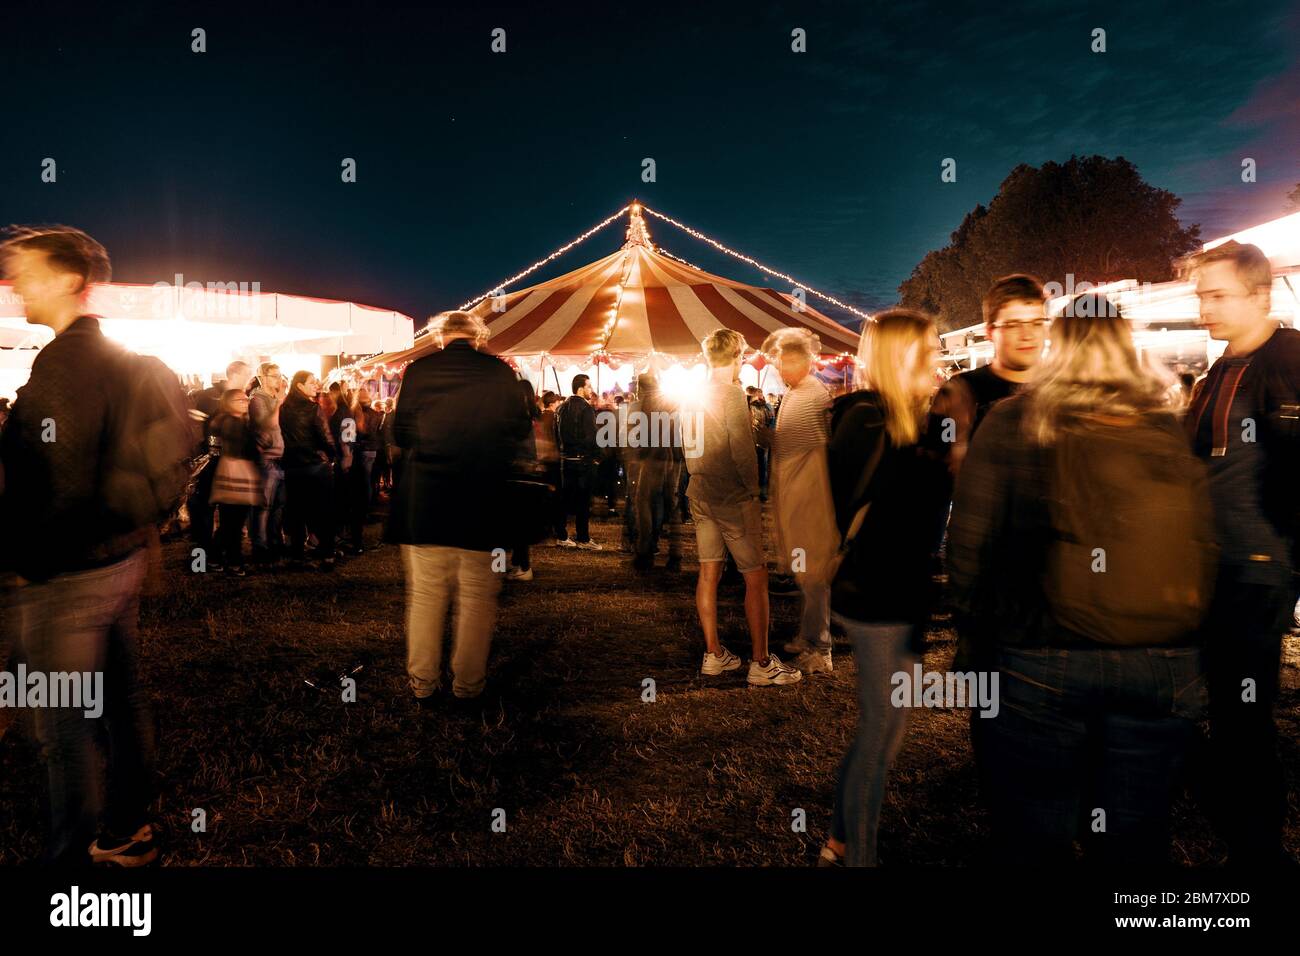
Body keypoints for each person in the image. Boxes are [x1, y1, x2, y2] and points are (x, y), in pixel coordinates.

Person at [948, 294, 1215, 865]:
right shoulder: (1165, 422)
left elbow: (968, 545)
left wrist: (973, 640)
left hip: (1043, 653)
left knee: (1036, 833)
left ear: (1056, 346)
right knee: (1136, 836)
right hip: (1162, 659)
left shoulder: (1017, 420)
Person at [0, 224, 190, 866]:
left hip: (67, 575)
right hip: (120, 559)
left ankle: (69, 866)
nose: (15, 282)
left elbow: (60, 481)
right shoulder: (110, 356)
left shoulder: (64, 364)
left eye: (26, 271)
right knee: (119, 705)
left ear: (66, 280)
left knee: (63, 731)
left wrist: (27, 564)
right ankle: (129, 829)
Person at [1186, 241, 1300, 865]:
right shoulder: (1215, 375)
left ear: (1260, 295)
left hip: (1258, 573)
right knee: (1218, 706)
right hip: (1209, 571)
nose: (1205, 307)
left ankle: (1258, 850)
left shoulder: (1292, 360)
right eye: (1201, 295)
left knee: (1245, 714)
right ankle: (1235, 815)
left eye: (1218, 295)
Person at [818, 309, 945, 866]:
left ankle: (839, 842)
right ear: (904, 355)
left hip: (907, 590)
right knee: (881, 731)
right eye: (931, 348)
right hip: (875, 593)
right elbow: (880, 511)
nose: (940, 358)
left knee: (886, 726)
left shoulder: (910, 418)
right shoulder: (867, 420)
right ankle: (857, 859)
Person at [387, 311, 531, 704]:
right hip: (482, 500)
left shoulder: (418, 371)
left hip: (426, 500)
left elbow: (401, 432)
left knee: (427, 596)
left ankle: (423, 683)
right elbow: (518, 431)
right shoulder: (500, 373)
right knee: (476, 599)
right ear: (478, 337)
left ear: (440, 337)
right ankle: (468, 685)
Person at [684, 329, 801, 686]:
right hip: (731, 495)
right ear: (736, 356)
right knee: (756, 576)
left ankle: (713, 653)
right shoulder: (731, 394)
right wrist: (755, 491)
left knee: (708, 572)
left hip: (699, 489)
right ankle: (761, 661)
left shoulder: (693, 394)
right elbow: (741, 452)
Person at [758, 328, 839, 674]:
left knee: (815, 573)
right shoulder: (796, 393)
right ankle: (808, 635)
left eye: (786, 363)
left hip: (811, 499)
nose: (781, 369)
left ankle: (821, 647)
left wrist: (766, 439)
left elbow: (813, 451)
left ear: (804, 362)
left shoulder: (813, 396)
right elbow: (790, 444)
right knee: (806, 573)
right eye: (779, 363)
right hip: (796, 496)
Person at [188, 360, 252, 566]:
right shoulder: (210, 397)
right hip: (213, 465)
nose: (250, 380)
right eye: (248, 374)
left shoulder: (238, 402)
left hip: (225, 466)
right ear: (237, 374)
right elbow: (197, 429)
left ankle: (214, 557)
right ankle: (204, 560)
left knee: (228, 517)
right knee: (207, 515)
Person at [280, 370, 337, 569]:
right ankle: (327, 552)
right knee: (323, 511)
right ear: (299, 386)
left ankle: (297, 554)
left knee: (296, 512)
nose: (316, 385)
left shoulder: (283, 408)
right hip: (315, 466)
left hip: (292, 467)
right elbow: (325, 437)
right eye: (312, 382)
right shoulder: (314, 409)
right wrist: (333, 454)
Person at [631, 372, 684, 574]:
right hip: (675, 457)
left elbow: (648, 433)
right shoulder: (671, 401)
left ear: (641, 387)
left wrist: (641, 454)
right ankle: (675, 555)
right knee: (672, 506)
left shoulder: (648, 402)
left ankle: (645, 553)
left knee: (643, 501)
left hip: (656, 457)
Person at [209, 388, 259, 576]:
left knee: (231, 522)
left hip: (231, 473)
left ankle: (222, 558)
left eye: (246, 399)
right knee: (234, 522)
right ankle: (232, 561)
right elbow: (241, 448)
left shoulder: (226, 421)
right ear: (228, 402)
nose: (245, 401)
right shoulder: (231, 422)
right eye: (239, 400)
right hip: (235, 473)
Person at [555, 374, 602, 550]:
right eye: (589, 386)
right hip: (582, 461)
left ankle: (561, 535)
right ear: (581, 388)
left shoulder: (561, 408)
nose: (591, 390)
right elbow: (591, 436)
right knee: (583, 502)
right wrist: (596, 457)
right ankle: (583, 538)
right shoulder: (585, 409)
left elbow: (556, 434)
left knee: (564, 501)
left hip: (565, 460)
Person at [248, 362, 286, 565]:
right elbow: (266, 424)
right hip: (266, 459)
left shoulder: (274, 398)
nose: (279, 379)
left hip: (280, 459)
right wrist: (279, 403)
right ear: (262, 377)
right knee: (263, 506)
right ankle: (260, 547)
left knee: (278, 505)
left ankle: (275, 543)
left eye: (280, 375)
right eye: (274, 375)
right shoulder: (257, 399)